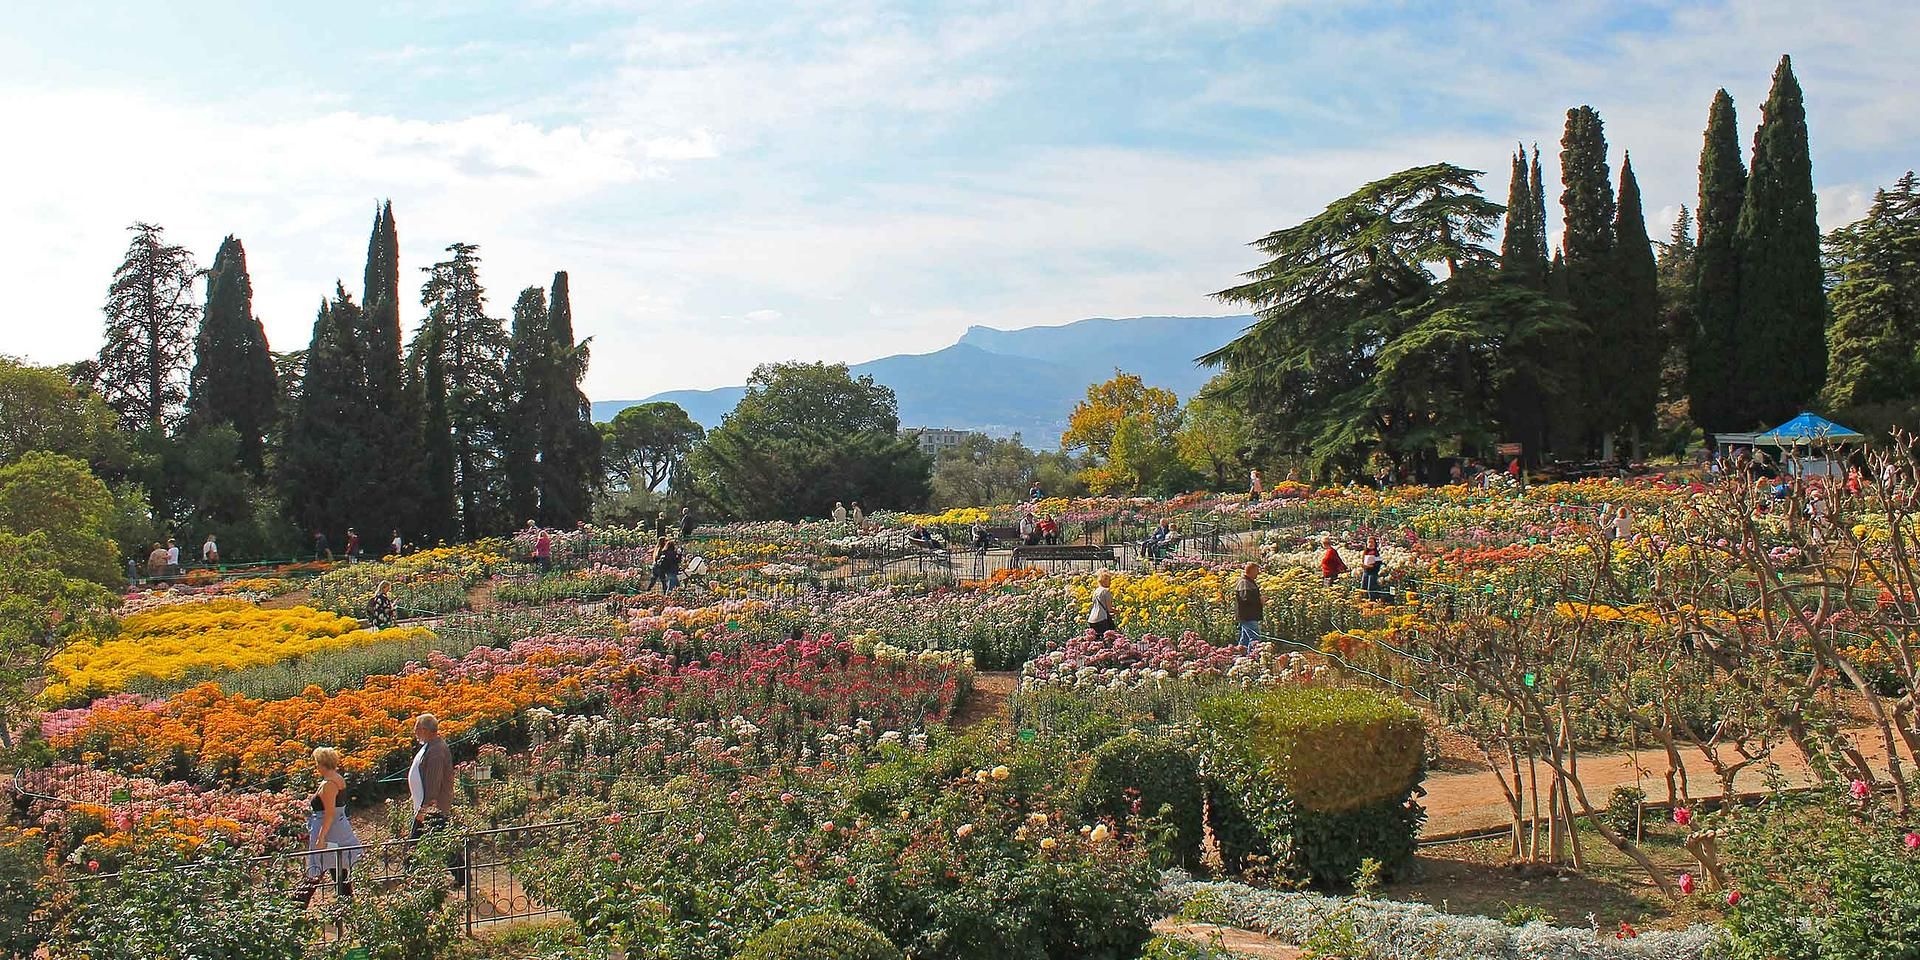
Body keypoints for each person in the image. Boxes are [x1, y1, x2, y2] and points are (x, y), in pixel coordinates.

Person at [408, 714, 464, 886]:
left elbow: (433, 784)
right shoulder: (431, 746)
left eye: (416, 728)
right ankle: (461, 877)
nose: (415, 732)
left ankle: (411, 877)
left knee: (417, 843)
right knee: (441, 842)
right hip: (428, 807)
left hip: (432, 808)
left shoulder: (436, 751)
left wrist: (424, 810)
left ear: (424, 730)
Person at [303, 746, 362, 904]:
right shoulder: (337, 778)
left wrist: (321, 838)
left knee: (317, 866)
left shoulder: (328, 784)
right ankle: (346, 903)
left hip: (329, 830)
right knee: (337, 866)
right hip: (336, 827)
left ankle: (298, 904)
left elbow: (329, 813)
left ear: (322, 764)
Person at [1234, 562, 1263, 650]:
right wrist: (1260, 601)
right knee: (1255, 639)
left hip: (1248, 616)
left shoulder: (1248, 581)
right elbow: (1246, 599)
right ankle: (1252, 657)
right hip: (1248, 616)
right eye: (1256, 571)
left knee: (1245, 640)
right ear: (1251, 571)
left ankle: (1240, 657)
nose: (1258, 573)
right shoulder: (1244, 582)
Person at [1086, 570, 1117, 637]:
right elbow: (1109, 609)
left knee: (1095, 640)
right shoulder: (1106, 591)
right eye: (1109, 580)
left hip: (1091, 619)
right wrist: (1118, 611)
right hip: (1101, 619)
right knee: (1108, 638)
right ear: (1104, 580)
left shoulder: (1096, 591)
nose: (1110, 582)